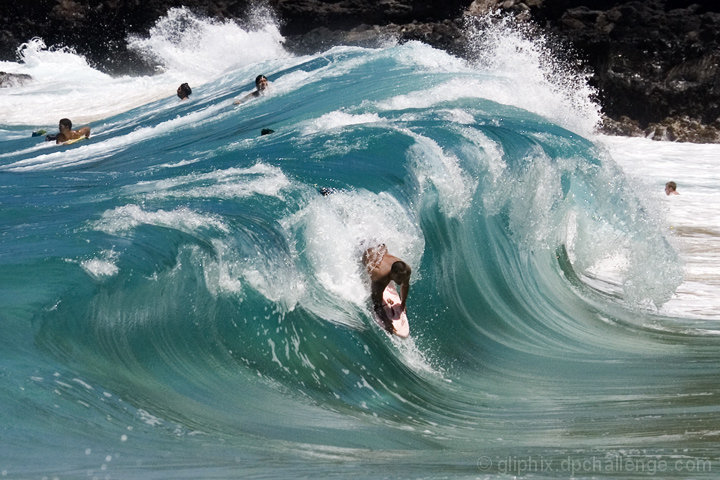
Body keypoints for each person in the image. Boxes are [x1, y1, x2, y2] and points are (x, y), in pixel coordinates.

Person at [362, 244, 411, 333]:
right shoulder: (380, 276)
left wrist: (403, 302)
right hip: (366, 254)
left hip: (380, 248)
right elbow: (376, 303)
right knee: (376, 292)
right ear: (392, 274)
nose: (401, 281)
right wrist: (386, 321)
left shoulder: (405, 271)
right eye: (399, 279)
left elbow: (405, 285)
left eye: (403, 278)